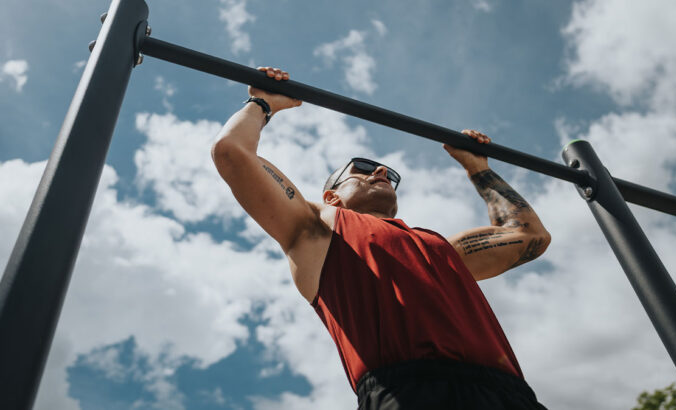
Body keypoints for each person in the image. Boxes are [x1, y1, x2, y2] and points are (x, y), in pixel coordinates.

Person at [212, 67, 551, 410]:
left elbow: (529, 235)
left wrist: (479, 169)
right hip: (409, 392)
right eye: (361, 168)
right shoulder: (316, 228)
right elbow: (232, 151)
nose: (380, 171)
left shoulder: (442, 250)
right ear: (331, 197)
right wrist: (262, 102)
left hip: (510, 396)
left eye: (387, 173)